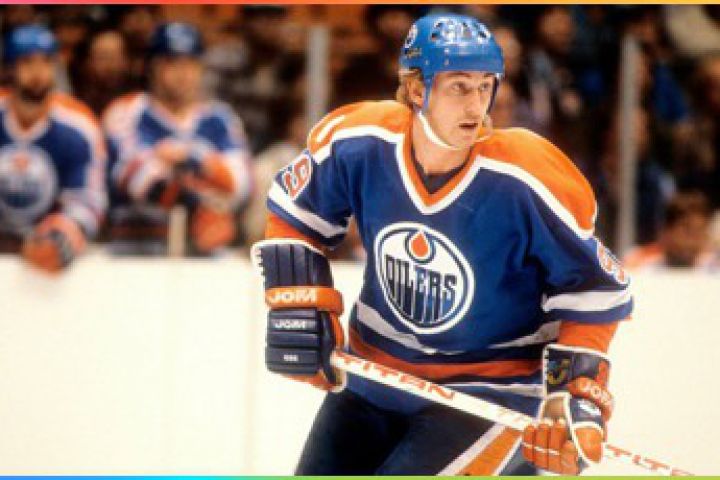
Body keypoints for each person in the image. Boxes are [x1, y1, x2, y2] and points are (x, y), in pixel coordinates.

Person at [252, 13, 632, 475]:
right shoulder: (361, 141)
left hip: (485, 395)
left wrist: (572, 391)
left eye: (485, 87)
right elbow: (294, 212)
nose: (477, 105)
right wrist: (300, 305)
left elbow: (596, 288)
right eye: (459, 87)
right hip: (374, 377)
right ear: (417, 89)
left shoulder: (526, 177)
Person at [103, 22, 253, 255]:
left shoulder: (220, 118)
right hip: (136, 249)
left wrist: (193, 156)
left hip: (206, 252)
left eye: (190, 63)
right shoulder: (128, 111)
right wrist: (198, 203)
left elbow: (240, 182)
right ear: (152, 67)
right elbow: (133, 174)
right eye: (172, 63)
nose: (183, 73)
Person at [0, 25, 107, 272]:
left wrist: (66, 230)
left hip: (47, 247)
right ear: (8, 69)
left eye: (46, 62)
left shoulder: (79, 126)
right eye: (27, 63)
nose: (38, 72)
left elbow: (89, 198)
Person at [623, 192, 718, 272]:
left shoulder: (714, 269)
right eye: (687, 229)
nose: (694, 238)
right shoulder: (639, 265)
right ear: (666, 231)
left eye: (700, 230)